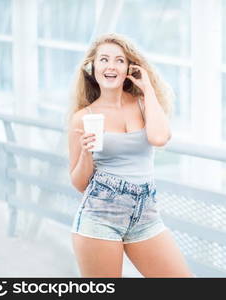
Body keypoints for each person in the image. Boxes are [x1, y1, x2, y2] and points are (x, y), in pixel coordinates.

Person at [67, 33, 192, 278]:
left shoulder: (143, 105)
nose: (111, 66)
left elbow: (159, 138)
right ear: (92, 68)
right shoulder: (82, 117)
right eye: (103, 60)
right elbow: (80, 184)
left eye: (119, 60)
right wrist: (85, 152)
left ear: (129, 68)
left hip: (146, 215)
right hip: (99, 215)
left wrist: (147, 88)